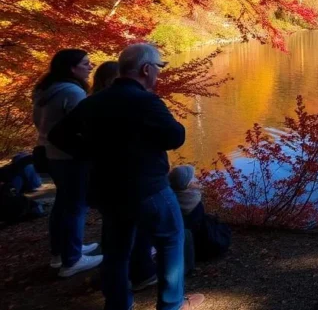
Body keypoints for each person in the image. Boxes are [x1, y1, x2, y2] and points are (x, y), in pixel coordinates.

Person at [50, 44, 204, 310]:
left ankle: (118, 304)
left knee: (116, 251)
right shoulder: (145, 101)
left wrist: (92, 152)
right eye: (158, 68)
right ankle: (171, 304)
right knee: (170, 240)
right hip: (148, 188)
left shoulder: (94, 101)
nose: (159, 74)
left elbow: (58, 136)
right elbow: (175, 137)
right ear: (146, 69)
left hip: (107, 189)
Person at [32, 49, 102, 276]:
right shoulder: (72, 92)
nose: (91, 66)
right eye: (85, 63)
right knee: (75, 206)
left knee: (62, 204)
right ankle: (72, 260)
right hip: (70, 156)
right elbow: (85, 126)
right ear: (72, 68)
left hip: (50, 154)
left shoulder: (46, 91)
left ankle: (59, 253)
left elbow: (39, 124)